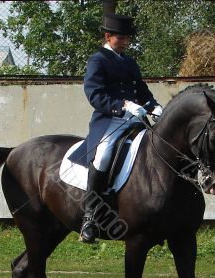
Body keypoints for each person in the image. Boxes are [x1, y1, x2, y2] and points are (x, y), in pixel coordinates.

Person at [68, 13, 163, 244]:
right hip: (109, 121)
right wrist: (123, 105)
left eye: (127, 38)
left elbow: (142, 92)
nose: (125, 42)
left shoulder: (129, 62)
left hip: (135, 120)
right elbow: (95, 95)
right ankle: (90, 217)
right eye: (121, 38)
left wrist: (155, 107)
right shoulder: (97, 60)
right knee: (102, 156)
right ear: (108, 36)